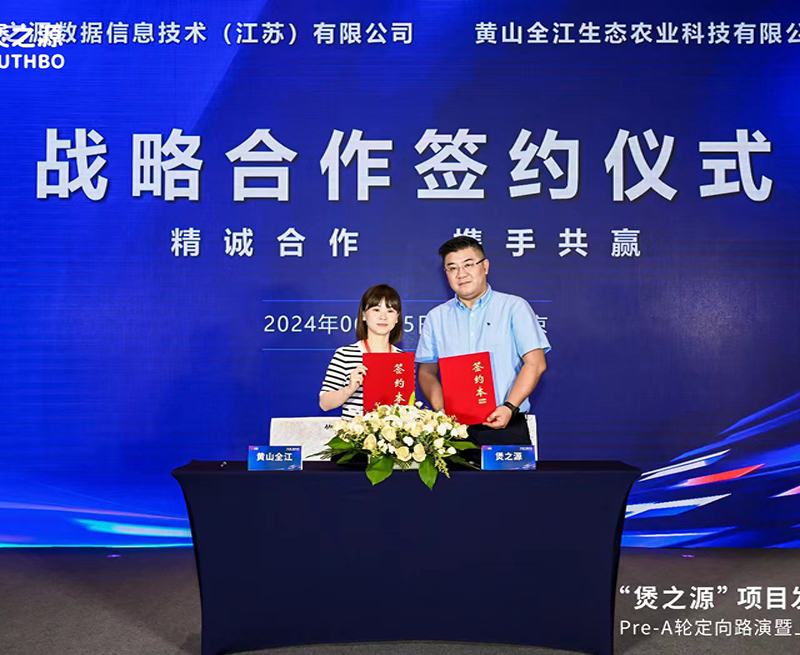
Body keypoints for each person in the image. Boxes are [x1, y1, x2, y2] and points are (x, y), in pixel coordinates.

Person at [416, 236, 550, 445]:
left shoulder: (513, 307)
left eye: (468, 265)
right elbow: (426, 372)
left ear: (485, 266)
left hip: (507, 421)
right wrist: (442, 410)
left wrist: (509, 407)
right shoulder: (436, 317)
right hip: (454, 429)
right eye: (452, 268)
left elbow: (536, 363)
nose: (461, 274)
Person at [319, 284, 404, 418]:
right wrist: (349, 389)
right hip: (353, 430)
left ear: (397, 317)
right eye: (376, 310)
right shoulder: (345, 355)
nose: (383, 316)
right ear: (364, 315)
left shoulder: (402, 360)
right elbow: (324, 403)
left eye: (390, 311)